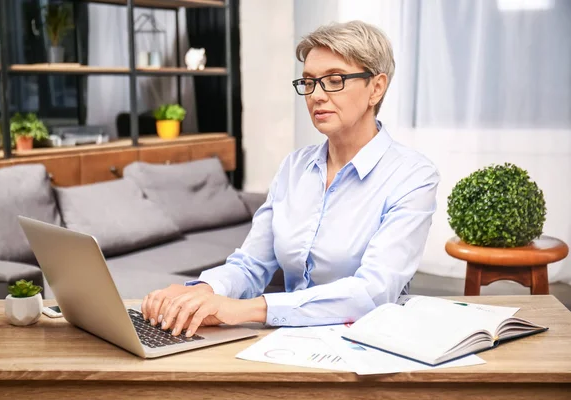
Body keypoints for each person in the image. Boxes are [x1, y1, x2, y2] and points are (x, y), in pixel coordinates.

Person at [141, 20, 440, 338]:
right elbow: (251, 264)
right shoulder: (294, 168)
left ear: (376, 88)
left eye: (334, 80)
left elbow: (372, 292)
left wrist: (247, 309)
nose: (317, 96)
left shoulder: (413, 176)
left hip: (367, 345)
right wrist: (203, 291)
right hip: (289, 339)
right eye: (309, 82)